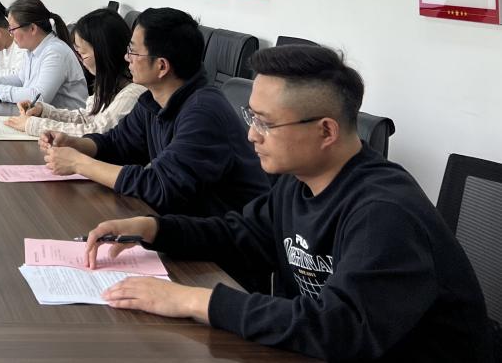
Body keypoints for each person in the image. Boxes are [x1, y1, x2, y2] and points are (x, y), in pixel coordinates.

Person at [84, 45, 493, 362]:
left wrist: (191, 300)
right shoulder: (297, 183)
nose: (251, 135)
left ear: (326, 131)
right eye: (251, 117)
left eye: (266, 122)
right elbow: (240, 234)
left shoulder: (384, 213)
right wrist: (154, 228)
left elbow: (339, 327)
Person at [41, 6, 267, 218]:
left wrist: (79, 164)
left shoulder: (203, 112)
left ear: (161, 66)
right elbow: (117, 144)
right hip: (185, 225)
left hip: (226, 237)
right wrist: (76, 144)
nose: (126, 58)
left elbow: (160, 186)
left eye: (133, 51)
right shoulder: (153, 100)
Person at [5, 6, 145, 137]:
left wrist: (34, 125)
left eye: (82, 54)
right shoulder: (108, 84)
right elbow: (87, 117)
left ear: (103, 53)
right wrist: (45, 111)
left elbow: (96, 132)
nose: (81, 61)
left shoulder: (132, 94)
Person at [0, 0, 88, 108]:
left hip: (66, 123)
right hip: (43, 119)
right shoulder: (31, 50)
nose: (10, 34)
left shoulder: (55, 52)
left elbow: (39, 97)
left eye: (12, 29)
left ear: (32, 28)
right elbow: (20, 79)